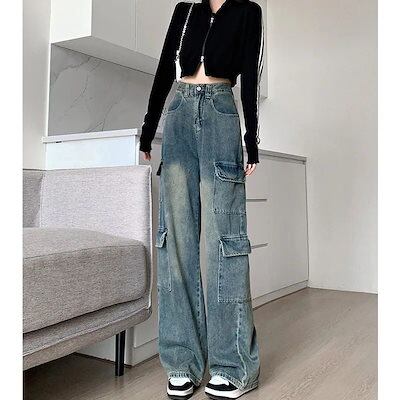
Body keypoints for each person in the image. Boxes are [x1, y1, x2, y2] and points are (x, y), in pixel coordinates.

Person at [140, 1, 264, 398]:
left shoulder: (247, 11)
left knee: (224, 241)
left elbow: (249, 76)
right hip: (178, 112)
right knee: (175, 241)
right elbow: (165, 67)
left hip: (221, 111)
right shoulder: (185, 9)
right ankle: (182, 360)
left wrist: (251, 139)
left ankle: (234, 366)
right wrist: (148, 129)